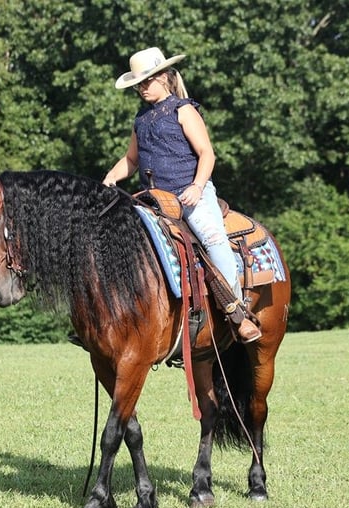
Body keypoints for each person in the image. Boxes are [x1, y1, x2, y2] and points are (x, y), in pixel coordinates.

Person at [103, 47, 261, 343]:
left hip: (191, 195)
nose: (142, 88)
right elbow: (131, 159)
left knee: (213, 239)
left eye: (147, 81)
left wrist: (197, 187)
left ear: (163, 78)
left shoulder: (183, 109)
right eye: (138, 83)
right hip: (154, 200)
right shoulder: (141, 119)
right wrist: (112, 176)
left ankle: (237, 313)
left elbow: (207, 154)